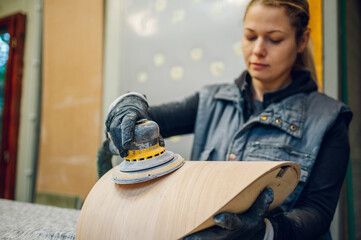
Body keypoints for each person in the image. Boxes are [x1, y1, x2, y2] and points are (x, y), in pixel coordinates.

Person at [103, 0, 352, 239]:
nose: (258, 50)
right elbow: (151, 119)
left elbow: (317, 212)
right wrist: (130, 106)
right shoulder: (211, 100)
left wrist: (263, 232)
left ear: (302, 40)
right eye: (250, 36)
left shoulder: (328, 119)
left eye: (274, 39)